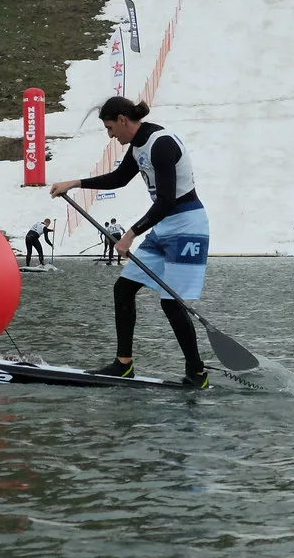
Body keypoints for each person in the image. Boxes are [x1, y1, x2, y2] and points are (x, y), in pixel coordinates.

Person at [49, 96, 210, 388]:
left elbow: (166, 200)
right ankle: (123, 365)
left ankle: (196, 373)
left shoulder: (161, 144)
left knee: (171, 302)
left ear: (123, 120)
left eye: (111, 128)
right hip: (165, 225)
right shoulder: (138, 146)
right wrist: (75, 183)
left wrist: (130, 234)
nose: (111, 135)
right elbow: (120, 178)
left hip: (188, 226)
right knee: (123, 288)